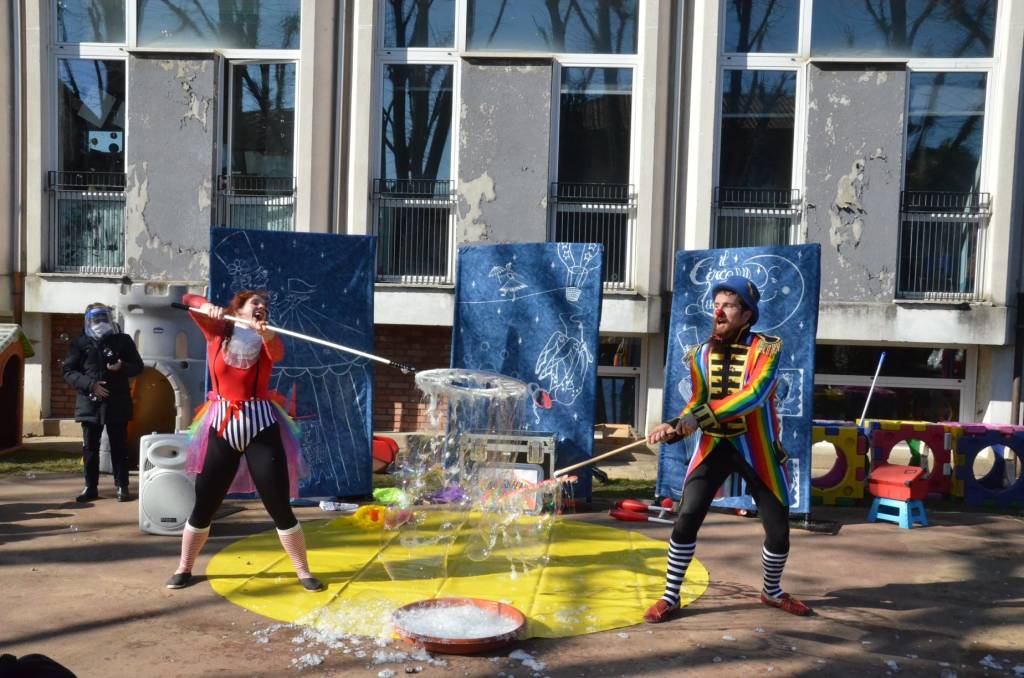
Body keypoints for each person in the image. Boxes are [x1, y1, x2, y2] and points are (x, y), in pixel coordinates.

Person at [643, 276, 812, 623]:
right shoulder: (700, 354)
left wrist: (700, 415)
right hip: (713, 446)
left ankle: (772, 591)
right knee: (686, 517)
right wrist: (675, 425)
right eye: (716, 303)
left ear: (748, 314)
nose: (718, 310)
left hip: (757, 448)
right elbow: (697, 400)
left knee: (778, 528)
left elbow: (756, 394)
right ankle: (670, 596)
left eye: (729, 305)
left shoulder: (767, 348)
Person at [166, 290, 323, 592]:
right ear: (238, 310)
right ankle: (184, 567)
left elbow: (276, 353)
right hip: (221, 424)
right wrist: (206, 307)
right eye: (255, 303)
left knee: (279, 506)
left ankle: (303, 572)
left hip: (261, 425)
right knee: (204, 504)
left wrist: (266, 335)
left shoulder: (268, 339)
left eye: (265, 304)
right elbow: (187, 298)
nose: (262, 306)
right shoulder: (217, 332)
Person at [62, 303, 144, 503]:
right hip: (90, 405)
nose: (100, 323)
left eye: (103, 318)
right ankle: (90, 487)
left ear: (110, 318)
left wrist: (121, 366)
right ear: (88, 320)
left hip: (117, 403)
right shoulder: (81, 343)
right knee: (90, 447)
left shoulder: (122, 341)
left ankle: (122, 487)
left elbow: (138, 367)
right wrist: (91, 385)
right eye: (95, 319)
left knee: (119, 446)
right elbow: (68, 371)